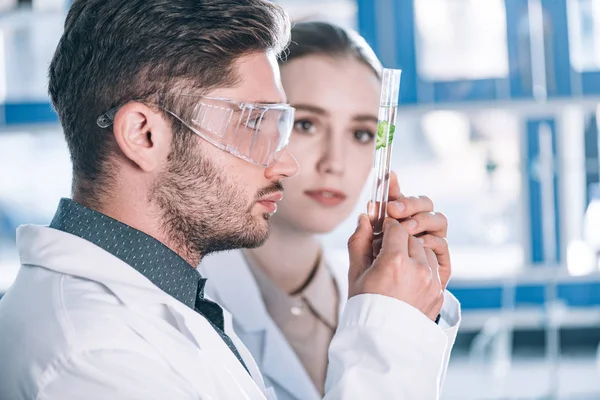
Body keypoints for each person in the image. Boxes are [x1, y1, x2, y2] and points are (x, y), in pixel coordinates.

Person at [0, 2, 449, 399]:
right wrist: (388, 332)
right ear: (144, 134)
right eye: (255, 123)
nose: (286, 164)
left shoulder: (171, 300)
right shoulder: (93, 358)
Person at [199, 21, 461, 400]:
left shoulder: (377, 290)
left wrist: (409, 320)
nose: (334, 163)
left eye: (360, 134)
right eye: (306, 124)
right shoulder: (190, 299)